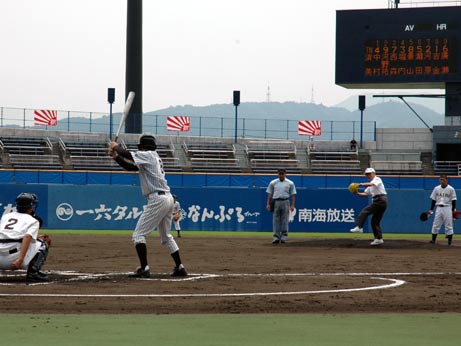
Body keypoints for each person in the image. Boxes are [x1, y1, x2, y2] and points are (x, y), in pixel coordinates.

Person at [109, 134, 187, 278]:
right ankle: (180, 267)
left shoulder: (149, 155)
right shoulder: (153, 157)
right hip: (167, 198)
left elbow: (128, 155)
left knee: (138, 235)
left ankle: (144, 268)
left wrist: (116, 147)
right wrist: (116, 157)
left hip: (158, 199)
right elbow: (131, 167)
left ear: (144, 147)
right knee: (166, 237)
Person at [0, 192, 51, 283]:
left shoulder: (6, 216)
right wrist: (20, 259)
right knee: (43, 242)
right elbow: (27, 237)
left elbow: (9, 234)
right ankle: (33, 273)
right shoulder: (33, 221)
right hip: (12, 261)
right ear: (31, 206)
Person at [350, 168, 387, 246]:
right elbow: (366, 193)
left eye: (369, 174)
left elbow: (371, 184)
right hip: (380, 202)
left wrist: (360, 184)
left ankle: (359, 227)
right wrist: (357, 193)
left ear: (374, 173)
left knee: (365, 211)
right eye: (367, 174)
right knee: (374, 221)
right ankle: (379, 239)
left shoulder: (377, 179)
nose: (368, 175)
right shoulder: (370, 183)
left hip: (380, 200)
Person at [266, 169, 296, 244]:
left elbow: (292, 195)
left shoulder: (290, 183)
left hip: (285, 201)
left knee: (285, 220)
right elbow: (270, 194)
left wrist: (292, 205)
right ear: (278, 174)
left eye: (282, 174)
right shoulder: (273, 182)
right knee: (275, 220)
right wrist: (268, 204)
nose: (281, 175)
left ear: (285, 174)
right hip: (276, 201)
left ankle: (283, 237)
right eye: (280, 174)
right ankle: (276, 237)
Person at [427, 175, 457, 245]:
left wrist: (453, 212)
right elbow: (433, 200)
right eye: (441, 180)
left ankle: (449, 243)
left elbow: (454, 201)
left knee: (448, 225)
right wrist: (431, 209)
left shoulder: (451, 189)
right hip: (439, 208)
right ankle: (433, 240)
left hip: (448, 208)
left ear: (447, 180)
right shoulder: (436, 188)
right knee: (435, 224)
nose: (442, 181)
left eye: (443, 180)